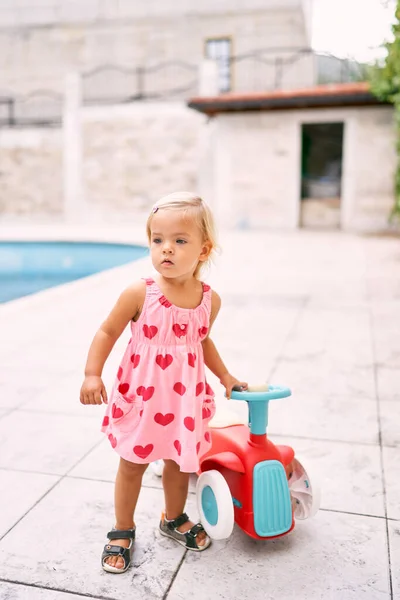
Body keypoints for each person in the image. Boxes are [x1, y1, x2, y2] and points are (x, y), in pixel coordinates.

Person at [80, 192, 248, 574]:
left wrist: (225, 376)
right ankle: (122, 528)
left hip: (184, 400)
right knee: (133, 464)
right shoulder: (141, 292)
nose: (166, 249)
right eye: (157, 240)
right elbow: (107, 331)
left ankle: (172, 517)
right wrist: (93, 372)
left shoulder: (209, 300)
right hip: (143, 396)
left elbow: (202, 339)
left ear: (203, 250)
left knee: (178, 463)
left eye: (179, 241)